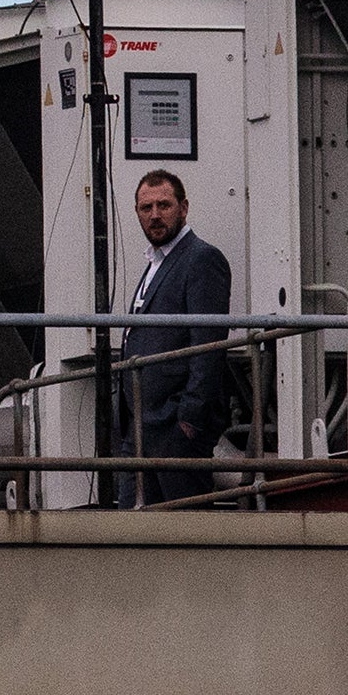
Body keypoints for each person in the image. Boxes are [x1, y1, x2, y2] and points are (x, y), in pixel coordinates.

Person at [116, 170, 233, 506]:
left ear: (183, 208)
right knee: (131, 531)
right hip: (141, 426)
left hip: (174, 426)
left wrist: (189, 418)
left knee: (185, 529)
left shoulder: (201, 259)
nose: (155, 215)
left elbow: (208, 345)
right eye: (146, 207)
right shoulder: (155, 261)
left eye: (164, 205)